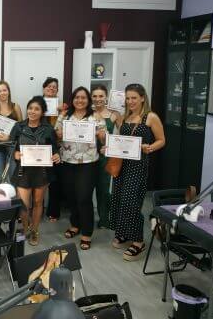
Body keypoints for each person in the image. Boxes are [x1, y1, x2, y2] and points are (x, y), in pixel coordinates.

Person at [109, 83, 165, 261]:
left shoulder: (150, 117)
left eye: (134, 98)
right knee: (119, 199)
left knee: (131, 202)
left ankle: (138, 242)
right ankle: (125, 233)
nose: (130, 101)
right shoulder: (126, 116)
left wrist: (150, 148)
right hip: (122, 165)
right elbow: (121, 140)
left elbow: (162, 140)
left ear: (142, 98)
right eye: (128, 98)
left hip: (138, 166)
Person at [55, 87, 106, 251]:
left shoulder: (95, 116)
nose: (80, 100)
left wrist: (100, 134)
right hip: (68, 161)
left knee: (84, 197)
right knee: (71, 195)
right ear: (73, 99)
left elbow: (104, 137)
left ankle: (87, 233)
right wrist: (60, 134)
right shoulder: (65, 115)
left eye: (83, 98)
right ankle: (75, 224)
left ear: (88, 100)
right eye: (77, 97)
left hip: (89, 162)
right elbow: (56, 133)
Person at [10, 96, 61, 246]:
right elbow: (11, 146)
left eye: (37, 109)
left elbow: (55, 148)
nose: (32, 111)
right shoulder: (18, 127)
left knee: (38, 202)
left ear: (42, 112)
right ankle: (25, 229)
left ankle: (35, 230)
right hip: (23, 171)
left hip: (42, 171)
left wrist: (57, 155)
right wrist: (15, 154)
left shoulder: (48, 129)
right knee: (25, 205)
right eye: (30, 108)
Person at [91, 84, 120, 229]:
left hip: (105, 157)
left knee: (103, 189)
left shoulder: (114, 115)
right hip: (88, 156)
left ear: (106, 97)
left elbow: (123, 136)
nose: (98, 99)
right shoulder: (87, 113)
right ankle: (87, 219)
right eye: (95, 96)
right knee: (87, 189)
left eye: (101, 96)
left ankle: (104, 219)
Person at [0, 81, 23, 179]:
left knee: (13, 175)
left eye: (4, 90)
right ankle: (2, 194)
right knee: (1, 175)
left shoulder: (16, 107)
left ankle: (13, 195)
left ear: (8, 91)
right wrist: (2, 138)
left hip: (13, 147)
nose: (2, 93)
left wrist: (10, 137)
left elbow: (21, 127)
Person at [42, 77, 66, 222]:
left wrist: (61, 113)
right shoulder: (37, 104)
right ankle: (32, 209)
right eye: (49, 87)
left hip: (57, 148)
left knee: (55, 182)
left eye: (54, 87)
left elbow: (65, 128)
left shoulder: (62, 108)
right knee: (37, 180)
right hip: (40, 147)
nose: (51, 89)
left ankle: (53, 211)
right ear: (43, 89)